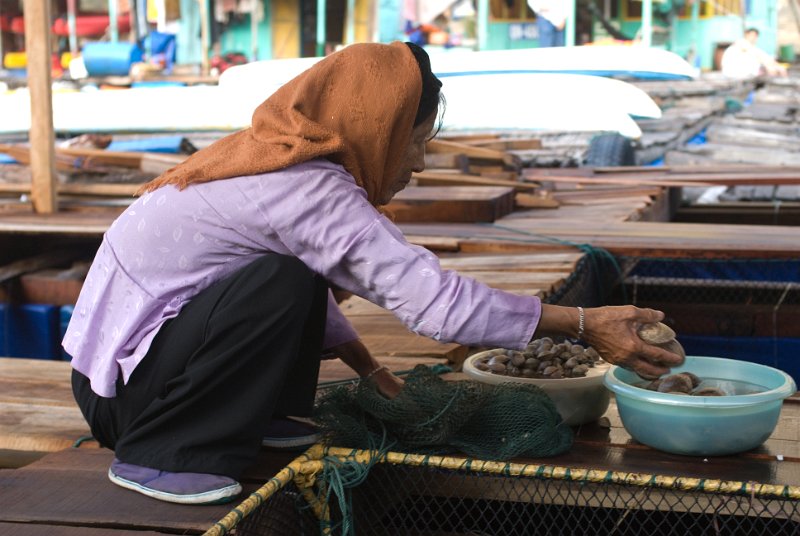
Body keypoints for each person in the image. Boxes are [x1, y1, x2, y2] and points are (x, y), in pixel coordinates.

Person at [65, 41, 683, 506]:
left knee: (287, 274)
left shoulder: (271, 160)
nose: (416, 162)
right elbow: (438, 305)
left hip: (126, 377)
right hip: (127, 406)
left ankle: (249, 413)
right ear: (376, 128)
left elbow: (292, 286)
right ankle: (164, 455)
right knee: (279, 280)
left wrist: (371, 368)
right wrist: (584, 321)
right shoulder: (306, 187)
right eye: (414, 141)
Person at [721, 27, 787, 79]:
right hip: (735, 73)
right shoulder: (741, 43)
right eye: (751, 35)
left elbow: (762, 55)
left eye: (755, 36)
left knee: (774, 68)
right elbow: (759, 55)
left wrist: (775, 64)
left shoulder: (750, 46)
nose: (753, 38)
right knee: (771, 69)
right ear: (746, 34)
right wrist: (771, 64)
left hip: (743, 73)